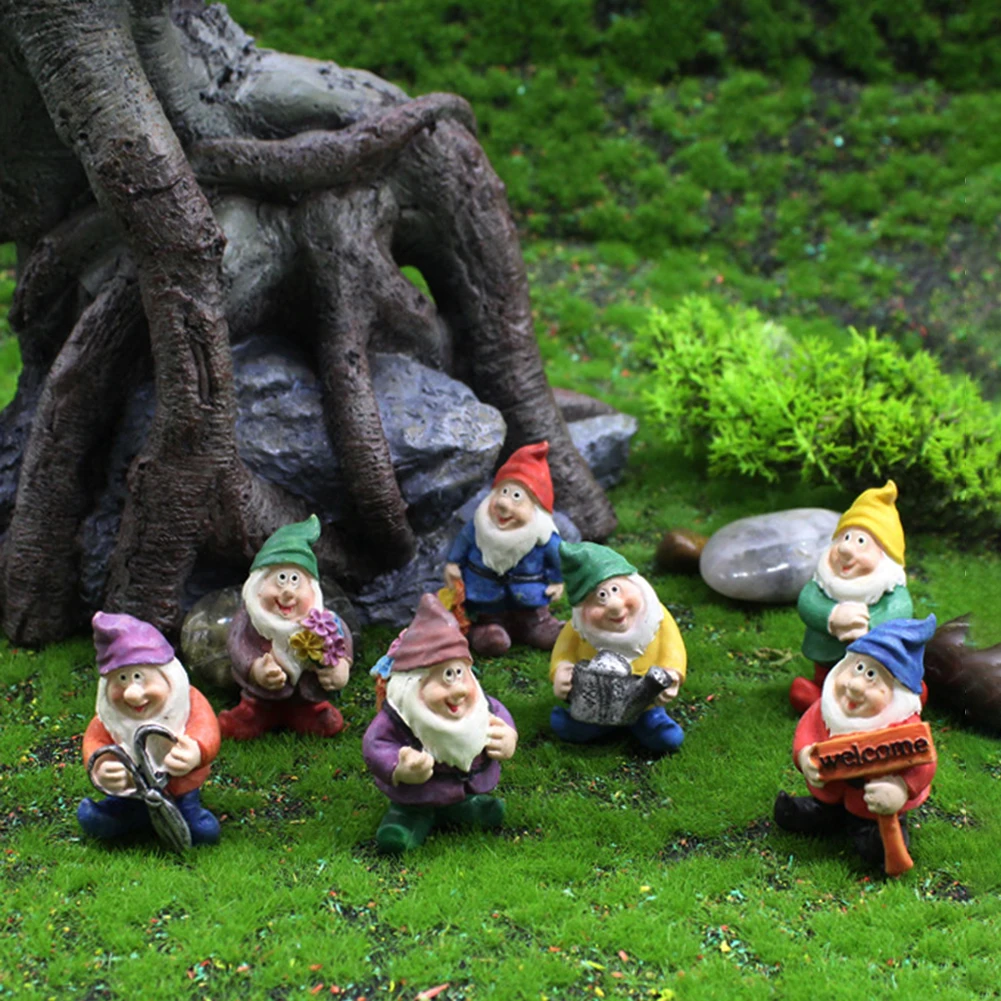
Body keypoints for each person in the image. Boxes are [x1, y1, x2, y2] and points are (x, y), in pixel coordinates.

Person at [774, 615, 937, 868]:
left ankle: (876, 840)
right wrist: (805, 756)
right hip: (832, 790)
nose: (855, 686)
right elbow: (808, 730)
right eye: (858, 668)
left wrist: (900, 789)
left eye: (872, 676)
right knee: (819, 812)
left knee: (874, 844)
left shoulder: (906, 729)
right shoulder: (828, 709)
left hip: (873, 806)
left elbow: (922, 765)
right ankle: (820, 814)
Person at [363, 593, 518, 853]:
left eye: (460, 673)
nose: (459, 690)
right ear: (413, 682)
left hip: (462, 784)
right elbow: (376, 744)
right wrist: (399, 766)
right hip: (416, 793)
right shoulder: (399, 717)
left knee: (463, 802)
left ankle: (464, 808)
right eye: (447, 676)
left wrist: (508, 737)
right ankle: (404, 822)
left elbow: (499, 715)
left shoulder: (480, 706)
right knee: (409, 811)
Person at [78, 611, 221, 845]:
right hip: (130, 793)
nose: (132, 694)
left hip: (178, 789)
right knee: (98, 819)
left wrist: (196, 751)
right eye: (121, 679)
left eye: (139, 677)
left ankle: (178, 818)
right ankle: (126, 816)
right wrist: (103, 767)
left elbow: (206, 729)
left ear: (167, 677)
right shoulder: (110, 716)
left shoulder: (188, 702)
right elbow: (95, 741)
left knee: (202, 832)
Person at [219, 514, 353, 739]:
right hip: (262, 696)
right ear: (258, 585)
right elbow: (237, 645)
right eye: (281, 579)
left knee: (324, 722)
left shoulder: (324, 621)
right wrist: (256, 668)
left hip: (306, 696)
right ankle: (252, 715)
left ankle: (311, 714)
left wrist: (341, 666)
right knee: (250, 715)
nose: (288, 592)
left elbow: (342, 641)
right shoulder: (251, 619)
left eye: (295, 580)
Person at [549, 542, 686, 754]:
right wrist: (561, 671)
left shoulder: (656, 617)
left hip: (645, 700)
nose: (614, 605)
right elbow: (563, 651)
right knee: (576, 727)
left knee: (665, 737)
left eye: (615, 590)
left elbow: (673, 649)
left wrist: (672, 674)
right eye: (601, 598)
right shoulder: (580, 628)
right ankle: (583, 725)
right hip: (595, 703)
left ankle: (653, 723)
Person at [791, 481, 912, 713]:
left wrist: (869, 628)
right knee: (824, 678)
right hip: (827, 655)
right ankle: (822, 697)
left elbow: (900, 612)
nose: (846, 549)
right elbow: (808, 602)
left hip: (874, 666)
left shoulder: (891, 590)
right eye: (846, 538)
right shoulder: (823, 584)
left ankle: (879, 704)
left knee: (880, 678)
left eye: (861, 542)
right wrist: (832, 615)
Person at [444, 441, 564, 656]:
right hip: (486, 598)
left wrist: (557, 581)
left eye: (516, 497)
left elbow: (558, 557)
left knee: (537, 623)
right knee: (492, 632)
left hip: (530, 599)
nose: (503, 503)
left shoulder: (543, 534)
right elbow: (463, 542)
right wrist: (453, 563)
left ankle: (539, 627)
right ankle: (487, 632)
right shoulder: (480, 525)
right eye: (503, 492)